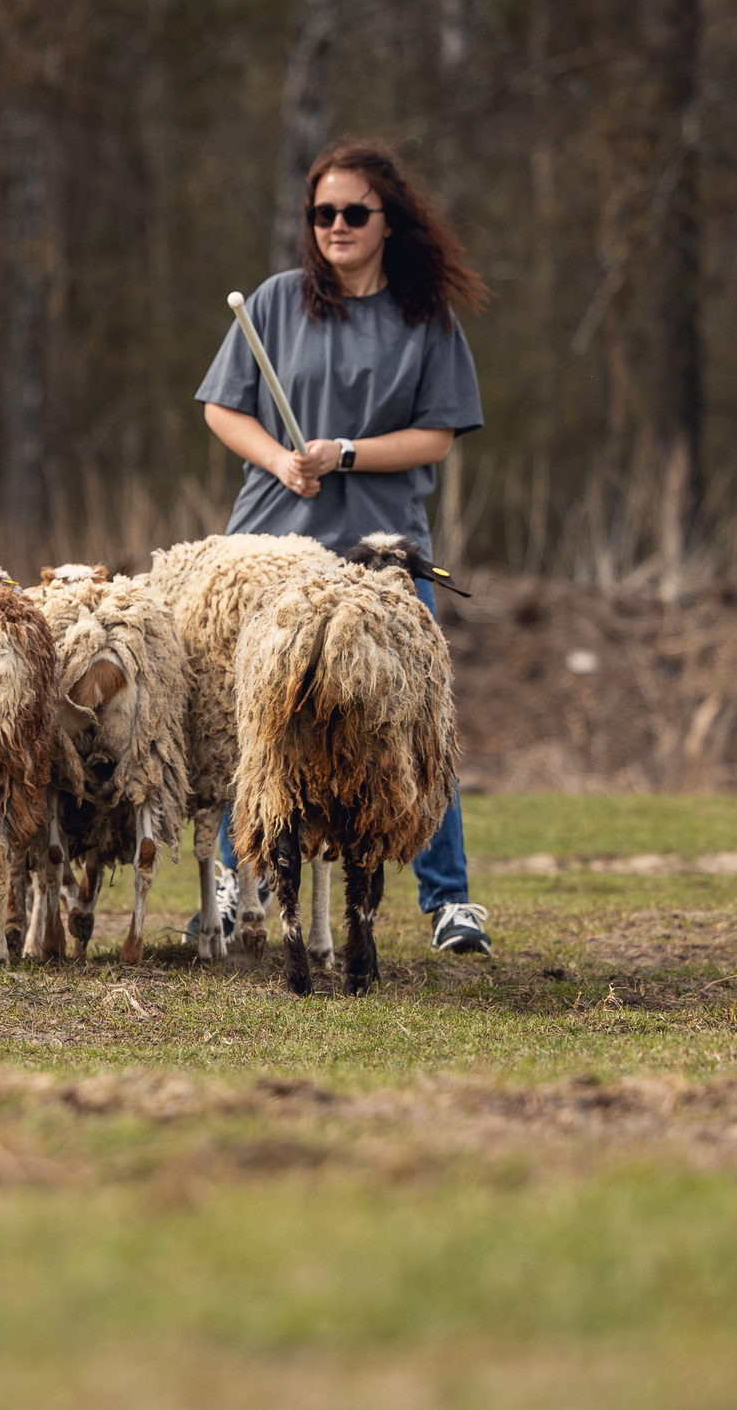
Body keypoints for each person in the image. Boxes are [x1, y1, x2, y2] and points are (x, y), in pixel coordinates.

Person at [191, 138, 493, 955]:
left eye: (353, 212)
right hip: (276, 551)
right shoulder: (279, 301)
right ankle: (230, 891)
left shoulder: (424, 317)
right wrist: (279, 458)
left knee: (417, 726)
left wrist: (346, 452)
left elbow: (436, 438)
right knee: (253, 727)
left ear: (388, 221)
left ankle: (450, 903)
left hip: (382, 556)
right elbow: (223, 408)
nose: (336, 226)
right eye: (321, 213)